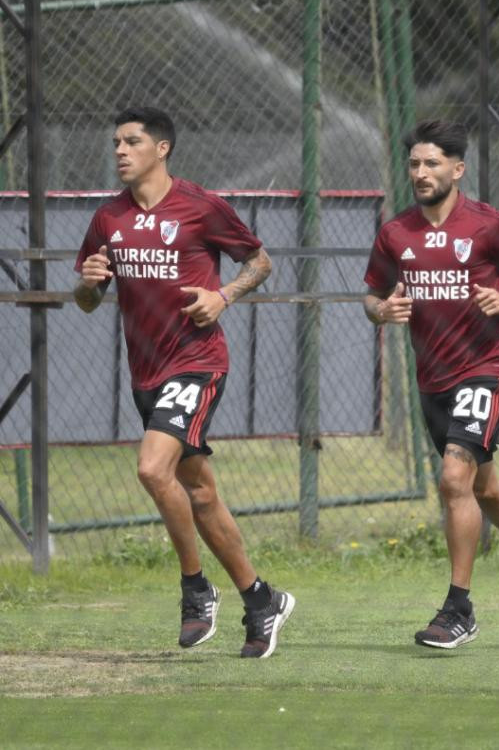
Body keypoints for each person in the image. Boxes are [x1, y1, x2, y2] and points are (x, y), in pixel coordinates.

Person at [73, 107, 294, 658]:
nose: (120, 151)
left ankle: (196, 588)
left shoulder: (200, 206)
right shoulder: (108, 219)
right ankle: (261, 598)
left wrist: (224, 295)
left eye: (132, 141)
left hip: (196, 363)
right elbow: (85, 301)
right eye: (116, 142)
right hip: (145, 374)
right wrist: (87, 283)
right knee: (198, 492)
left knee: (152, 468)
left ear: (162, 148)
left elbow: (261, 262)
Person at [363, 118, 499, 649]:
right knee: (484, 489)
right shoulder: (396, 233)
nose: (421, 172)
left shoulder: (489, 224)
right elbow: (371, 296)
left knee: (454, 481)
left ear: (457, 170)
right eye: (414, 163)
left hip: (486, 370)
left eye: (432, 163)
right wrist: (382, 310)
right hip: (432, 379)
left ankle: (458, 609)